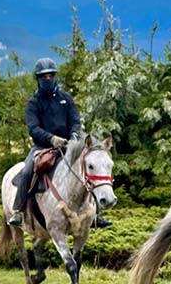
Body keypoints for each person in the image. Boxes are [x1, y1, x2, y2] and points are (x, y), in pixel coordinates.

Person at [7, 58, 111, 228]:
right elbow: (33, 128)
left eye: (50, 75)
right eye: (43, 76)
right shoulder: (33, 103)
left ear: (55, 76)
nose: (47, 79)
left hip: (69, 146)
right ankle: (18, 211)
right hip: (42, 147)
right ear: (38, 79)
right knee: (26, 171)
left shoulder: (66, 98)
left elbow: (75, 121)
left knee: (86, 171)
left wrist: (74, 137)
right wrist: (51, 139)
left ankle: (96, 214)